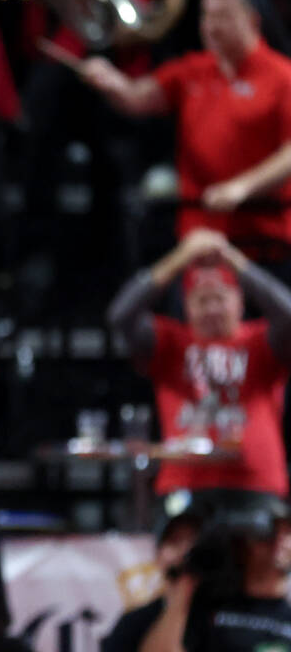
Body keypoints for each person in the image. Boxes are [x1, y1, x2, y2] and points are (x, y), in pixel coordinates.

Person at [82, 0, 291, 274]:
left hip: (265, 239)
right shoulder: (193, 70)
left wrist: (242, 188)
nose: (210, 26)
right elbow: (137, 97)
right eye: (206, 15)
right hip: (200, 239)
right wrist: (110, 81)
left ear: (252, 20)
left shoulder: (282, 76)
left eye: (222, 16)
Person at [107, 228, 291, 520]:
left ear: (240, 300)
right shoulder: (170, 342)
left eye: (220, 298)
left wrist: (236, 262)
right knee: (179, 564)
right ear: (187, 306)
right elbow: (120, 315)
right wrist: (177, 260)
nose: (212, 309)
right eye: (202, 300)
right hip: (184, 486)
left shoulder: (262, 341)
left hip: (257, 486)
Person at [138, 503, 291, 652]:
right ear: (242, 544)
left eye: (287, 532)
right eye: (268, 533)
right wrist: (186, 584)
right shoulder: (205, 607)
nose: (279, 541)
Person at [100, 510, 204, 652]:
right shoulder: (133, 623)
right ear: (158, 555)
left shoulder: (218, 619)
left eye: (194, 543)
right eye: (175, 541)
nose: (185, 551)